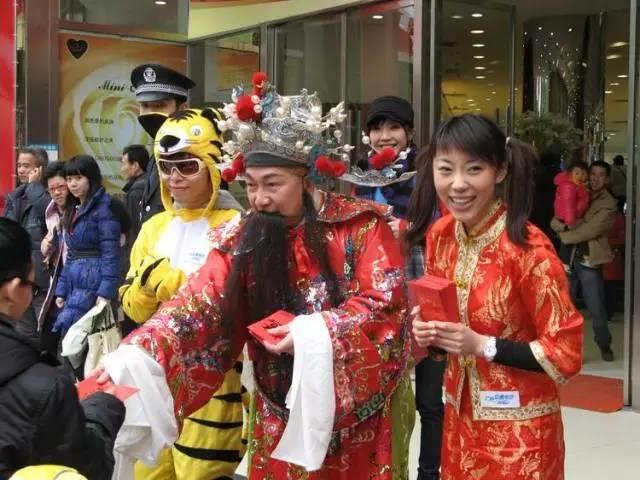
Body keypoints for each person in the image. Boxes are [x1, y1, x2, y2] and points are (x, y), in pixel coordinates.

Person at [98, 76, 413, 479]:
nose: (259, 199)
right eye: (250, 185)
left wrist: (314, 333)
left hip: (357, 423)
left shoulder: (362, 227)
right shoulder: (244, 235)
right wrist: (140, 353)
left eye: (272, 184)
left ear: (307, 179)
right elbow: (199, 303)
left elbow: (386, 306)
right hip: (277, 410)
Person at [409, 114, 583, 479]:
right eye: (446, 170)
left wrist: (483, 345)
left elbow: (565, 352)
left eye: (474, 169)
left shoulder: (528, 250)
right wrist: (431, 334)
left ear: (500, 171)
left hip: (521, 433)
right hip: (460, 423)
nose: (458, 184)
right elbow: (446, 326)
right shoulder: (441, 235)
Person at [120, 108, 246, 480]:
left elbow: (231, 304)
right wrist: (145, 289)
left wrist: (171, 282)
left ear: (213, 166)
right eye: (166, 166)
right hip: (153, 375)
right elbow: (132, 307)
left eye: (187, 166)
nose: (174, 177)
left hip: (214, 378)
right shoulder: (153, 227)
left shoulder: (236, 224)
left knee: (202, 473)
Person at [0, 217, 125, 479]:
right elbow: (86, 467)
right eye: (33, 287)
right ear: (11, 291)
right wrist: (102, 406)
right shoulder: (45, 387)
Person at [552, 161, 617, 361]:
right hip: (568, 258)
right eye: (593, 174)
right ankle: (566, 350)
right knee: (564, 307)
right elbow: (555, 220)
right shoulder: (575, 189)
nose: (595, 179)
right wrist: (565, 225)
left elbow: (591, 230)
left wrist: (565, 233)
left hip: (589, 259)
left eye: (601, 175)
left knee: (596, 307)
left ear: (607, 179)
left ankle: (604, 344)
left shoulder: (608, 203)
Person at [53, 156, 121, 349]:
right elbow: (71, 255)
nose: (72, 184)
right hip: (76, 286)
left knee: (85, 346)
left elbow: (111, 254)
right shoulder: (73, 209)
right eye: (69, 179)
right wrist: (61, 290)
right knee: (72, 344)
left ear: (91, 178)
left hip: (95, 285)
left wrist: (105, 293)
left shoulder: (105, 208)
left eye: (78, 178)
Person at [131, 64, 195, 224]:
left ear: (182, 109)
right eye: (145, 106)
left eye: (159, 106)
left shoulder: (193, 157)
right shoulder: (156, 155)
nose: (150, 113)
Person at [3, 147, 51, 346]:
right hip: (20, 275)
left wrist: (34, 187)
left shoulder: (49, 194)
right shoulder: (14, 197)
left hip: (43, 278)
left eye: (26, 166)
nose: (21, 170)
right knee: (24, 333)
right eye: (19, 165)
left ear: (40, 169)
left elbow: (49, 216)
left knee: (46, 332)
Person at [353, 96, 417, 236]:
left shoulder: (425, 172)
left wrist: (410, 230)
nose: (385, 137)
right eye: (376, 129)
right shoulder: (363, 172)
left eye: (394, 127)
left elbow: (446, 225)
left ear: (410, 133)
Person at [38, 162, 70, 358]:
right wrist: (47, 244)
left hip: (75, 286)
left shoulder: (80, 211)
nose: (57, 192)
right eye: (52, 189)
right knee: (47, 338)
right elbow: (48, 248)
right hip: (56, 282)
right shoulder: (51, 212)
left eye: (61, 187)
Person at [553, 161, 590, 268]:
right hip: (568, 219)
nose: (580, 176)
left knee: (569, 244)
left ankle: (566, 265)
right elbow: (568, 206)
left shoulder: (578, 186)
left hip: (572, 218)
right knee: (568, 243)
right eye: (576, 173)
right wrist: (570, 223)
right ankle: (565, 265)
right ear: (570, 173)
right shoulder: (569, 187)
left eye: (583, 174)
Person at [121, 144, 150, 240]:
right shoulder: (150, 184)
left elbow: (134, 229)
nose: (122, 169)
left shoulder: (136, 192)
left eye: (123, 164)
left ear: (135, 166)